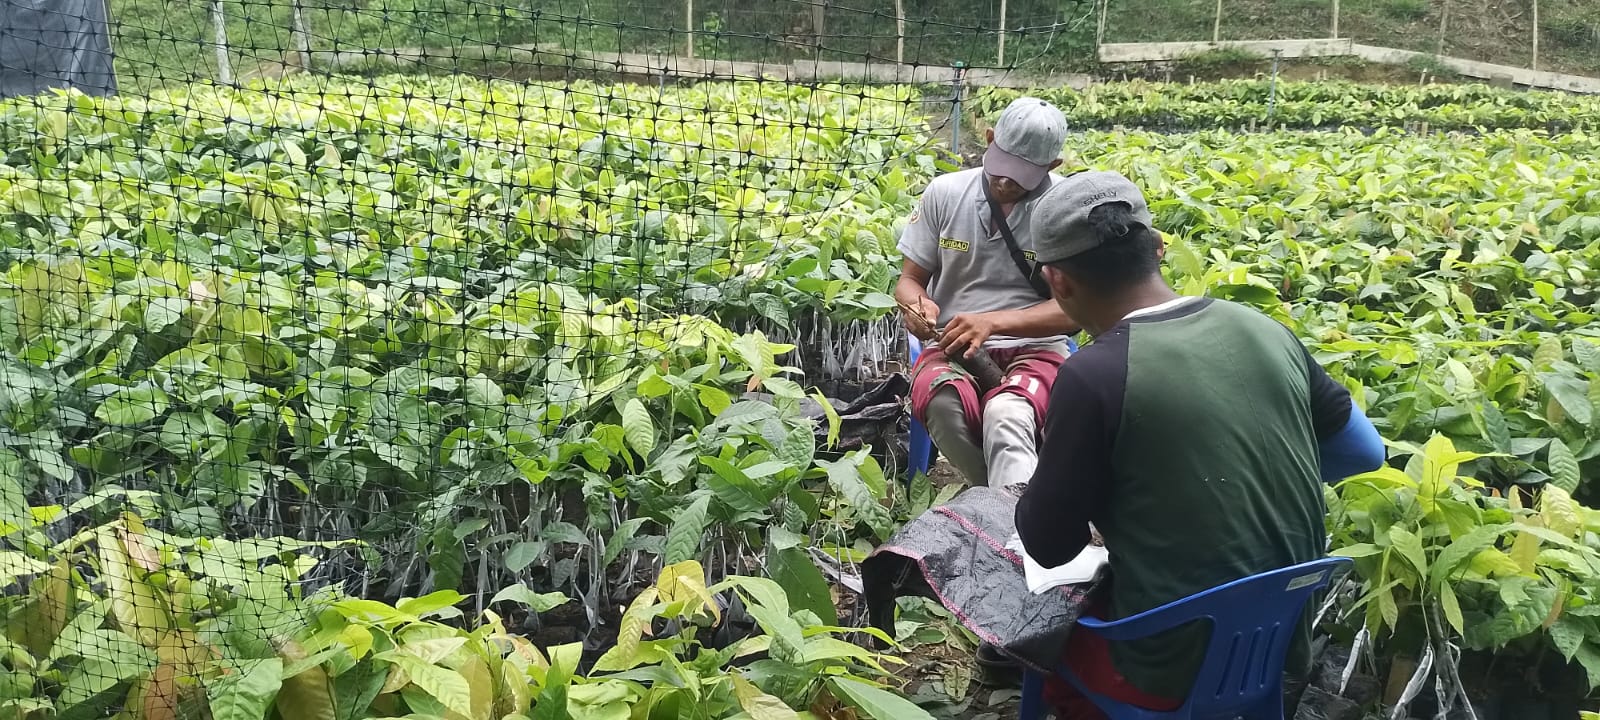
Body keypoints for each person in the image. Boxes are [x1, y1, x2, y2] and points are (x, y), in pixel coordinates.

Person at [1013, 171, 1386, 718]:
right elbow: (1365, 453)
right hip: (1279, 643)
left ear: (1058, 281)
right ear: (1158, 247)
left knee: (1041, 639)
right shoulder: (1263, 327)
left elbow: (1049, 547)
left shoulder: (1093, 374)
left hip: (1166, 665)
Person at [895, 96, 1082, 491]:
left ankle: (1010, 514)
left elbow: (1075, 310)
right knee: (943, 403)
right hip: (952, 344)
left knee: (1007, 414)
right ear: (990, 138)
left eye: (1021, 176)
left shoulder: (1064, 209)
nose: (1005, 182)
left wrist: (993, 323)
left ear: (1052, 166)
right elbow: (909, 280)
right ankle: (1011, 502)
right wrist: (917, 306)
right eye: (1002, 167)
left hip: (1037, 346)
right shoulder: (945, 193)